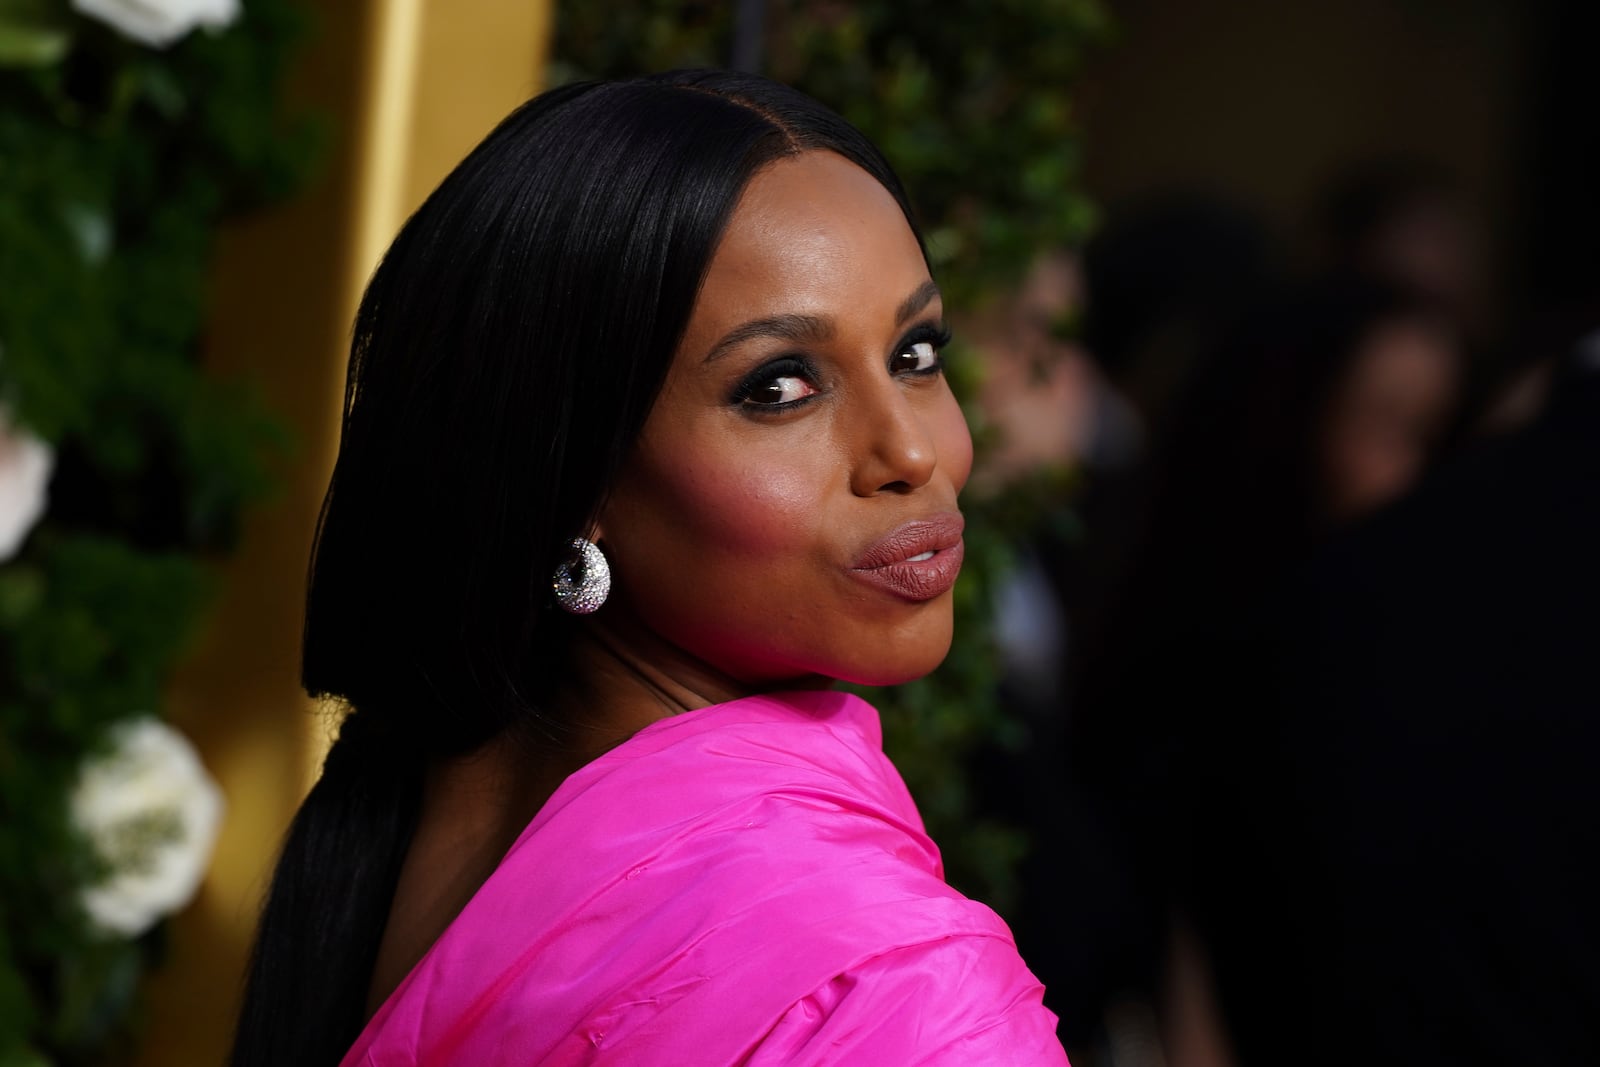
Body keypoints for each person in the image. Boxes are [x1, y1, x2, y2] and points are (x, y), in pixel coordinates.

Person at [227, 70, 1067, 1067]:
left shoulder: (414, 825)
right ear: (573, 470)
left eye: (916, 353)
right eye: (780, 386)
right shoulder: (882, 988)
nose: (912, 453)